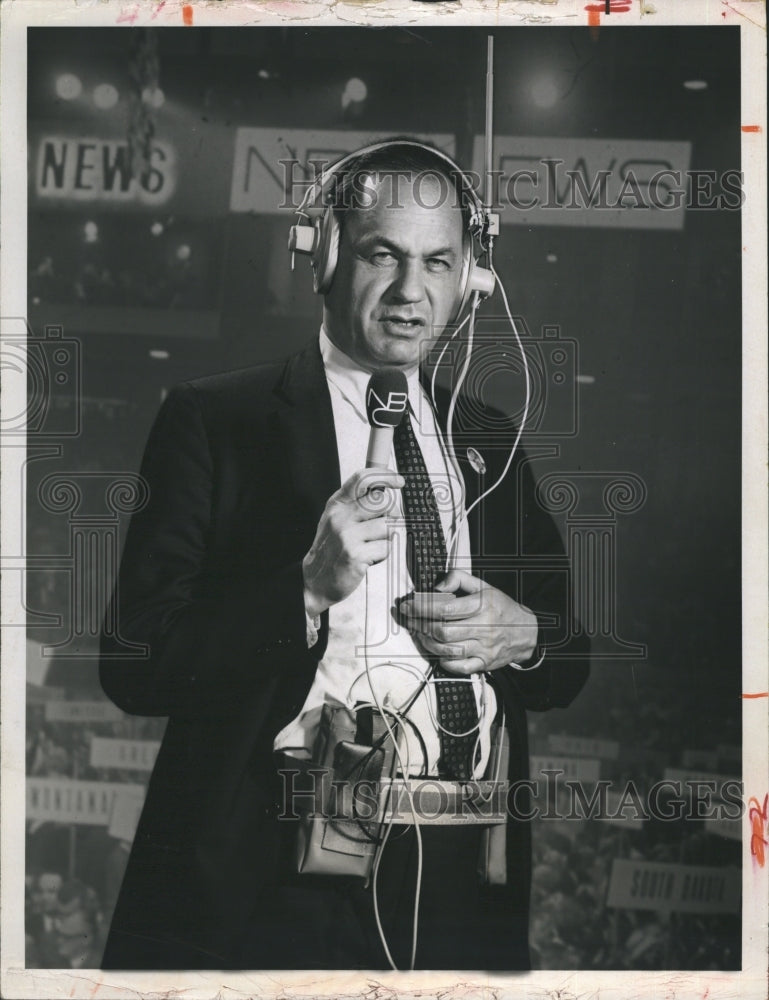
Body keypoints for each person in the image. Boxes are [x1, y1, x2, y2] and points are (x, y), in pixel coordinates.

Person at [99, 140, 590, 971]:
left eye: (438, 261)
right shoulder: (215, 421)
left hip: (454, 878)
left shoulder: (489, 440)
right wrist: (301, 591)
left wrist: (524, 635)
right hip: (264, 867)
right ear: (321, 253)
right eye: (381, 255)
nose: (411, 292)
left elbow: (567, 664)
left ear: (470, 277)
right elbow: (134, 665)